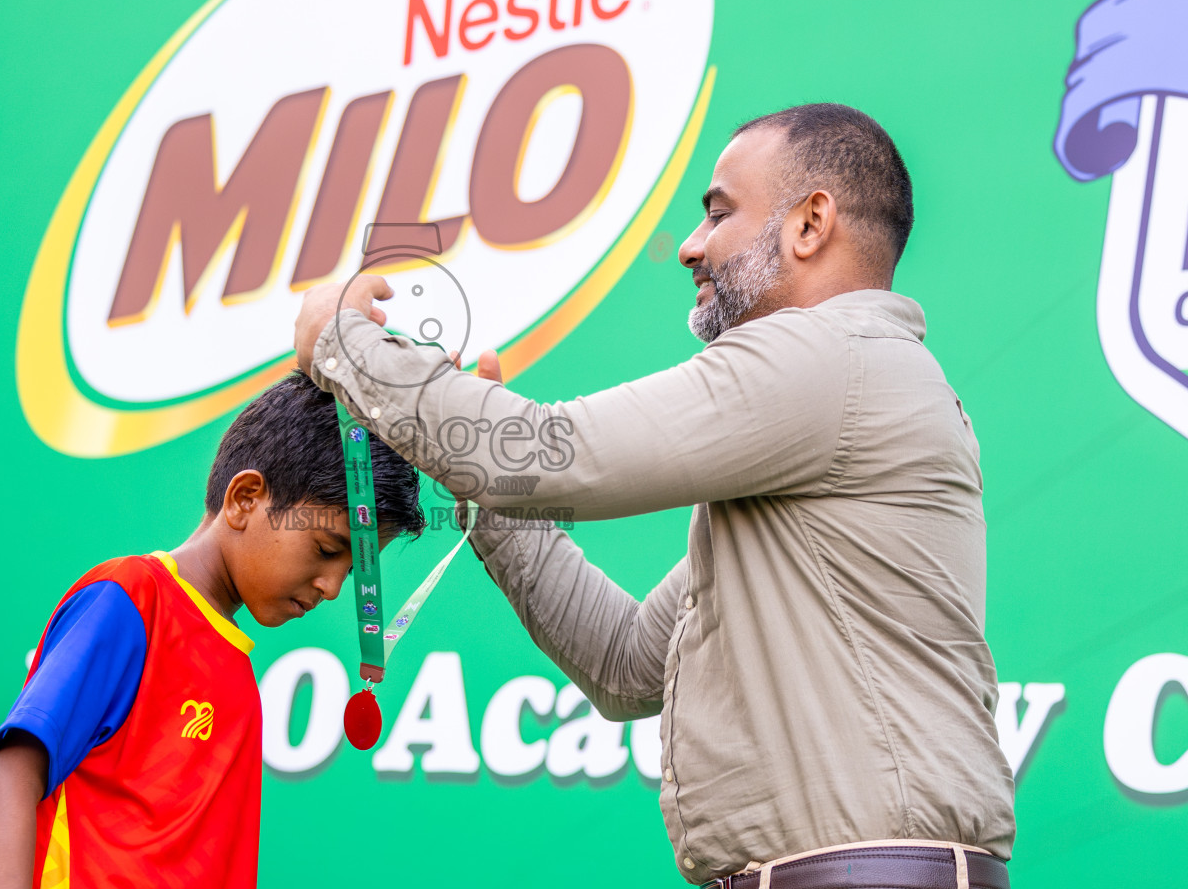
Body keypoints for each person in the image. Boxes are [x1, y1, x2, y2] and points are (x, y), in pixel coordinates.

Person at [293, 104, 1015, 888]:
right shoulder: (836, 399)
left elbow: (543, 454)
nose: (690, 246)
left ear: (810, 224)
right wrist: (476, 470)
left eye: (719, 213)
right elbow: (625, 664)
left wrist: (340, 339)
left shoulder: (830, 356)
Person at [0, 371, 424, 889]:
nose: (333, 587)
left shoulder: (239, 676)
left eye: (353, 571)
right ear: (245, 498)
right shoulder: (131, 599)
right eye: (326, 549)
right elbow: (11, 778)